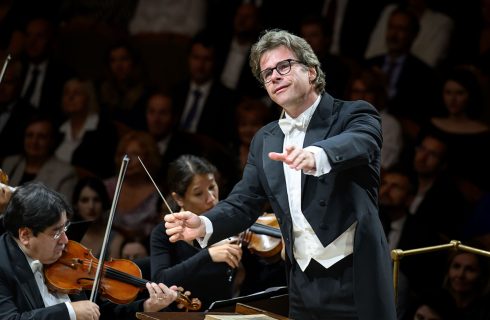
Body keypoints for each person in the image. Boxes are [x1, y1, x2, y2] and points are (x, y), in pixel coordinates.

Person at [164, 29, 396, 319]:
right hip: (301, 282)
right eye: (266, 73)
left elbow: (362, 142)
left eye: (283, 66)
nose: (273, 76)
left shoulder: (354, 115)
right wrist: (205, 224)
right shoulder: (266, 139)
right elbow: (243, 201)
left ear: (311, 72)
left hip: (356, 276)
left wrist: (317, 154)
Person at [0, 181, 179, 320]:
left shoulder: (67, 258)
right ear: (25, 235)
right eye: (56, 232)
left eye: (65, 229)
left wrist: (146, 306)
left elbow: (99, 313)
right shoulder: (3, 266)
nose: (65, 240)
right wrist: (69, 312)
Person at [151, 154, 243, 310]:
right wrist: (208, 255)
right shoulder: (164, 233)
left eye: (212, 187)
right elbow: (160, 280)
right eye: (198, 193)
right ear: (179, 199)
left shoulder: (228, 223)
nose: (211, 198)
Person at [71, 176, 125, 259]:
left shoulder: (115, 239)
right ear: (76, 205)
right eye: (85, 200)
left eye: (96, 200)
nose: (91, 206)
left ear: (104, 204)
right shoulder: (67, 236)